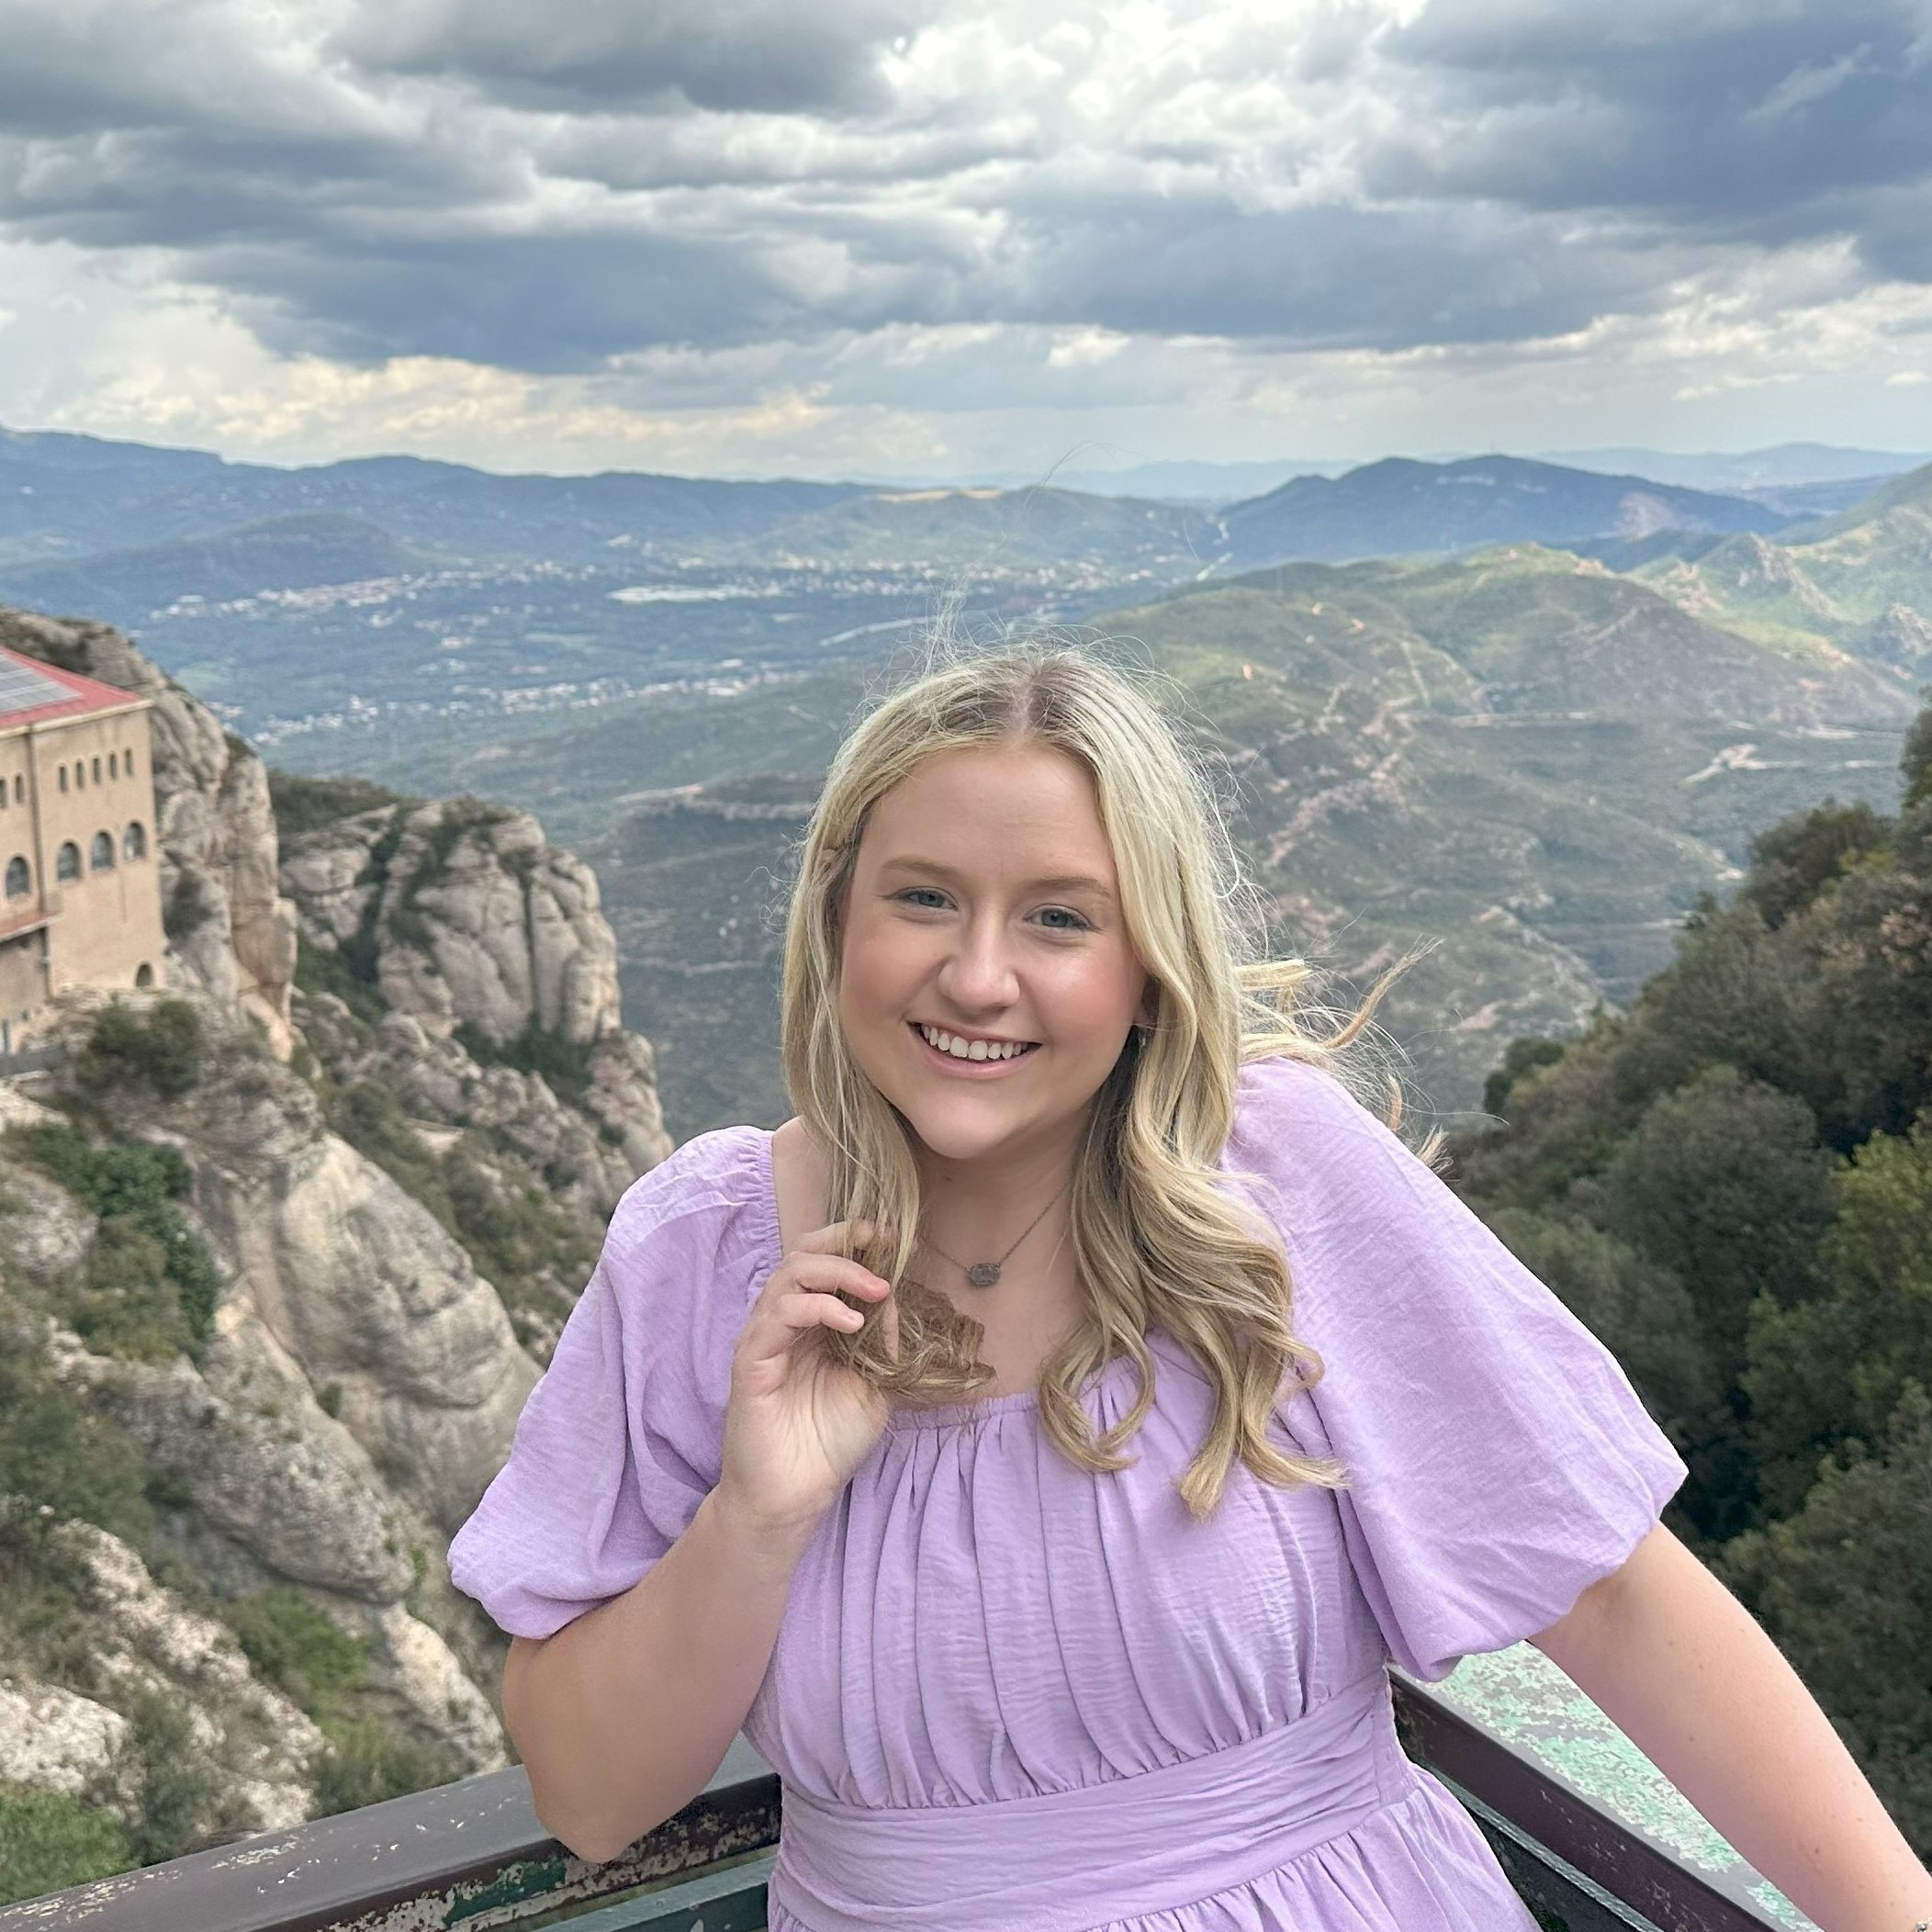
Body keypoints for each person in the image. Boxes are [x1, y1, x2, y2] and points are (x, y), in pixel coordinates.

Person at [448, 644, 1932, 1932]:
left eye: (1059, 917)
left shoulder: (1274, 1179)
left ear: (1150, 965)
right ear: (839, 918)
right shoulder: (701, 1250)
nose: (977, 977)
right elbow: (587, 1799)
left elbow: (1608, 1594)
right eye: (923, 898)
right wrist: (756, 1518)